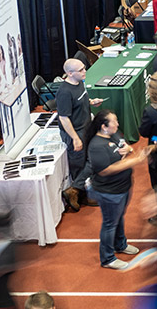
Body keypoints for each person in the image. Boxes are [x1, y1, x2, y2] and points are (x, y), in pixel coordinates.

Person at [85, 109, 154, 269]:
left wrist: (129, 150)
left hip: (123, 188)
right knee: (110, 224)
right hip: (109, 192)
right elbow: (106, 170)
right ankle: (108, 258)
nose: (117, 124)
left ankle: (120, 244)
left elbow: (126, 146)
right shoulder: (96, 146)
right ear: (104, 126)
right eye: (114, 121)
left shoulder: (113, 135)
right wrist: (136, 159)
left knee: (119, 217)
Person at [57, 57, 104, 210]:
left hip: (85, 127)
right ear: (70, 73)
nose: (85, 71)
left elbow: (81, 100)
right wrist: (75, 138)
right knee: (79, 164)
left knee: (91, 159)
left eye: (84, 68)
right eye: (81, 70)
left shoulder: (79, 83)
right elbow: (64, 118)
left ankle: (74, 190)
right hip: (75, 132)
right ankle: (81, 195)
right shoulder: (64, 92)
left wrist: (91, 102)